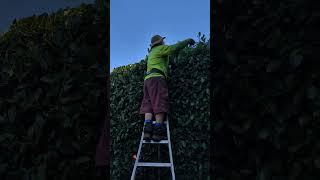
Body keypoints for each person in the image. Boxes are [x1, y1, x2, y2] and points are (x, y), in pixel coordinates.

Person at [139, 35, 195, 141]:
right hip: (157, 79)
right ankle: (157, 132)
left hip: (147, 80)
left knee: (148, 104)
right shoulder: (160, 49)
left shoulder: (151, 53)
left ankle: (147, 132)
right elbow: (173, 48)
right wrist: (187, 41)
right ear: (160, 42)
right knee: (159, 101)